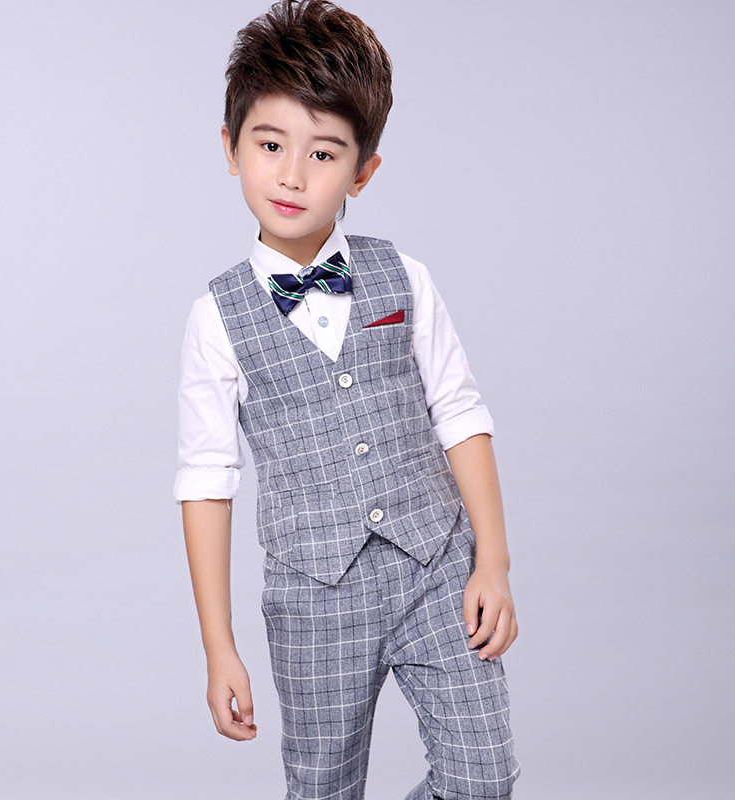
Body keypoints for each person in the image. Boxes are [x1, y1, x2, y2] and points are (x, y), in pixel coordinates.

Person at [173, 1, 522, 797]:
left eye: (324, 153)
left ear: (362, 171)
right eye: (270, 146)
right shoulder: (215, 319)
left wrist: (493, 562)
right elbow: (206, 482)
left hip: (438, 566)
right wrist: (219, 646)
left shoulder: (405, 276)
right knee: (323, 788)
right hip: (314, 599)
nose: (292, 176)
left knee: (483, 777)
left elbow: (460, 414)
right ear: (231, 148)